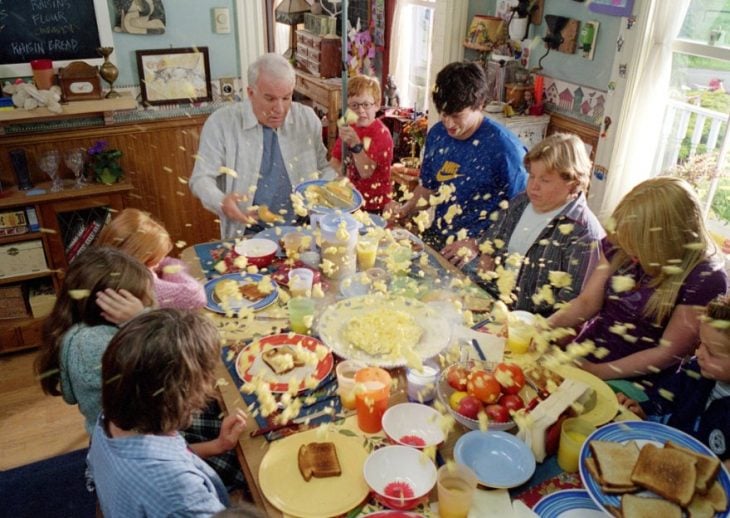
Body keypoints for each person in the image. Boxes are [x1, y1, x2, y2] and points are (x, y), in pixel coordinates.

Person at [547, 177, 728, 384]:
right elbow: (586, 302)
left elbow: (668, 353)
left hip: (637, 381)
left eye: (638, 245)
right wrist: (543, 329)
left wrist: (597, 372)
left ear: (668, 241)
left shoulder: (706, 279)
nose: (629, 251)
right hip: (587, 353)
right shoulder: (623, 244)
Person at [88, 309, 247, 517]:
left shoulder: (109, 419)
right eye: (205, 380)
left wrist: (219, 446)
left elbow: (169, 455)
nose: (209, 386)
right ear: (177, 399)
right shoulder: (181, 495)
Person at [189, 53, 336, 239]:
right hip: (247, 232)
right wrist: (220, 202)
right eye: (270, 99)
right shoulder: (221, 123)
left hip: (303, 229)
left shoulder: (307, 119)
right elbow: (200, 179)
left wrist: (330, 184)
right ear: (251, 93)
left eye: (286, 98)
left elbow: (323, 169)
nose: (280, 109)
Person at [387, 61, 527, 251]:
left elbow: (521, 213)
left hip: (481, 252)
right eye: (443, 113)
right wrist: (406, 210)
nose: (448, 122)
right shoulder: (437, 135)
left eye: (456, 115)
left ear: (480, 105)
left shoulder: (506, 150)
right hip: (439, 237)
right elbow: (428, 190)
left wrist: (478, 245)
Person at [462, 133, 604, 316]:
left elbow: (575, 305)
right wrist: (486, 259)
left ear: (573, 183)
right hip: (494, 304)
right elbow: (492, 240)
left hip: (532, 324)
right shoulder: (522, 201)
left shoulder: (584, 234)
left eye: (545, 180)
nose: (533, 186)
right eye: (532, 176)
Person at [35, 247, 153, 433]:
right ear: (111, 307)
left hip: (110, 435)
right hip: (136, 441)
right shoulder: (94, 344)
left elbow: (70, 397)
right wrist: (139, 320)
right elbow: (166, 367)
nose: (148, 303)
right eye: (143, 300)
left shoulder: (78, 332)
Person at [617, 295, 730, 464]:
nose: (698, 353)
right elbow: (664, 402)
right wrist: (642, 412)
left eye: (712, 353)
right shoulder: (693, 371)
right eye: (701, 343)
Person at [95, 208, 207, 310]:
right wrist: (171, 270)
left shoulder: (108, 270)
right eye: (154, 262)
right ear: (140, 260)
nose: (159, 264)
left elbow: (165, 260)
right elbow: (197, 296)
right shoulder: (146, 288)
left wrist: (156, 260)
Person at [330, 75, 394, 213]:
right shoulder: (349, 124)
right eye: (354, 105)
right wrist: (344, 177)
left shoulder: (381, 134)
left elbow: (366, 172)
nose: (360, 110)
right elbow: (334, 160)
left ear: (376, 105)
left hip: (375, 205)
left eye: (366, 104)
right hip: (351, 200)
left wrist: (355, 145)